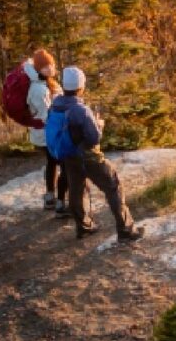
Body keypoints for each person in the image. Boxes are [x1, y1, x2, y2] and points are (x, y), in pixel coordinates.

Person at [46, 66, 145, 244]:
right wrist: (99, 124)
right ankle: (126, 230)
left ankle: (84, 227)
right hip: (88, 157)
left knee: (76, 190)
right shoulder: (80, 110)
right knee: (113, 186)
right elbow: (94, 138)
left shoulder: (56, 105)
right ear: (80, 86)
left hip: (68, 156)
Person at [24, 46, 69, 217]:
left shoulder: (46, 83)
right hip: (47, 135)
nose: (49, 68)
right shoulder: (38, 89)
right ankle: (60, 204)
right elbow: (46, 115)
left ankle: (50, 197)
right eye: (44, 66)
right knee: (63, 165)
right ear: (38, 69)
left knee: (52, 163)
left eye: (50, 64)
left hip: (44, 134)